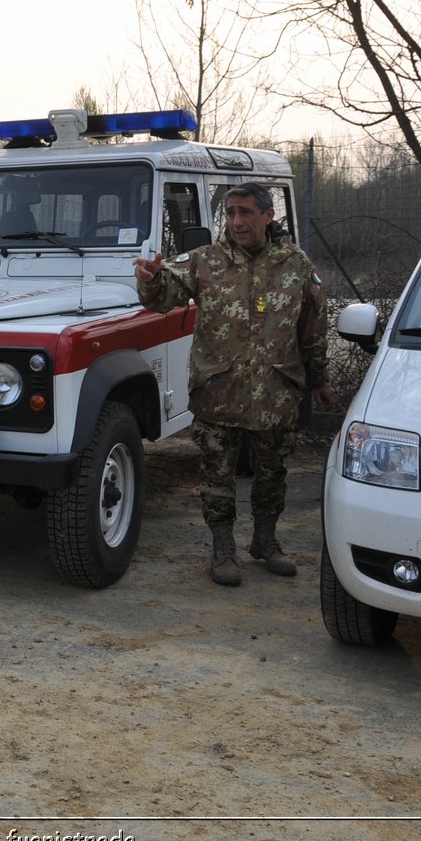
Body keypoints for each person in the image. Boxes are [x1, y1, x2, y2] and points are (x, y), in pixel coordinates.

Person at [132, 183, 336, 586]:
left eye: (245, 213)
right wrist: (151, 279)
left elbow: (313, 327)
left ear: (268, 215)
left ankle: (265, 541)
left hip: (275, 395)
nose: (237, 222)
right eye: (231, 213)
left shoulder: (295, 264)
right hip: (218, 393)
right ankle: (223, 548)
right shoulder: (205, 261)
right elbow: (163, 298)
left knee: (272, 474)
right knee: (217, 478)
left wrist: (319, 380)